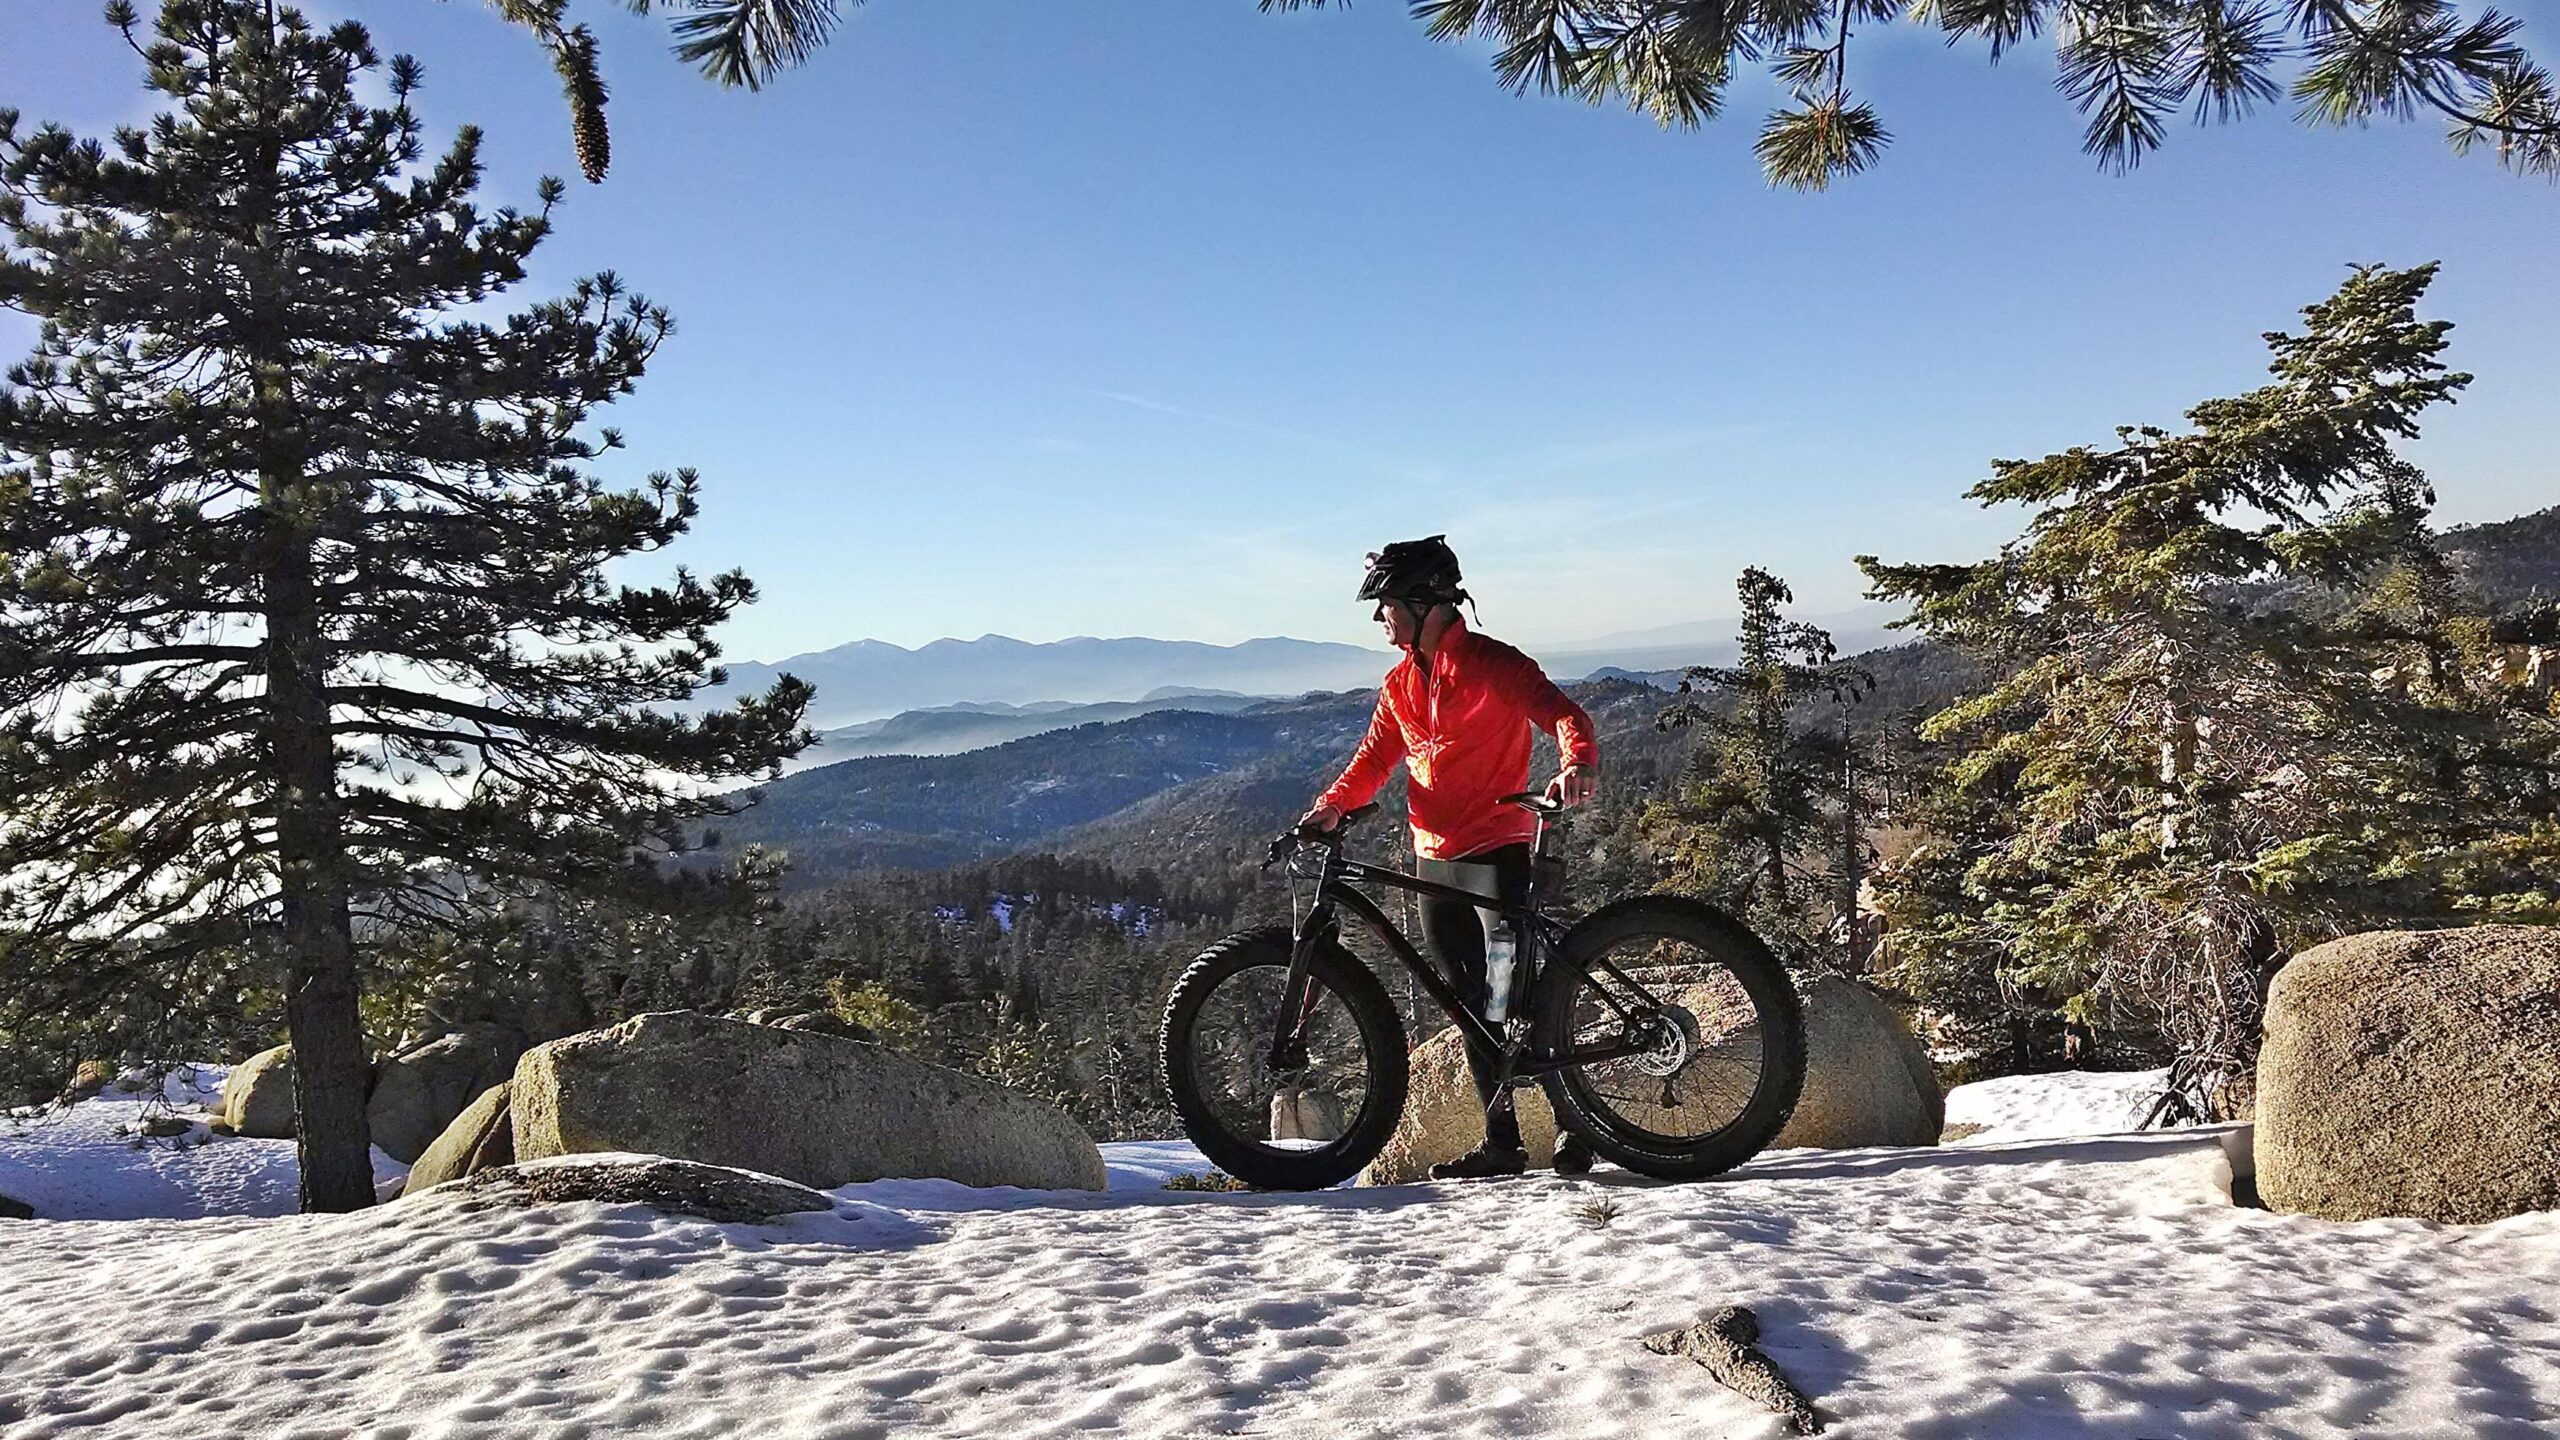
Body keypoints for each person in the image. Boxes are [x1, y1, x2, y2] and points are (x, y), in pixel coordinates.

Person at [1300, 535, 1600, 1180]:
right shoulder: (1401, 681)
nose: (1379, 618)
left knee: (1514, 998)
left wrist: (1577, 762)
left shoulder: (1495, 664)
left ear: (1425, 602)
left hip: (1497, 852)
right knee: (1466, 1003)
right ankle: (1503, 1143)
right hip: (1434, 862)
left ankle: (1579, 1130)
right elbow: (1375, 759)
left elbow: (1563, 715)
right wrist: (1330, 808)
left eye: (1385, 605)